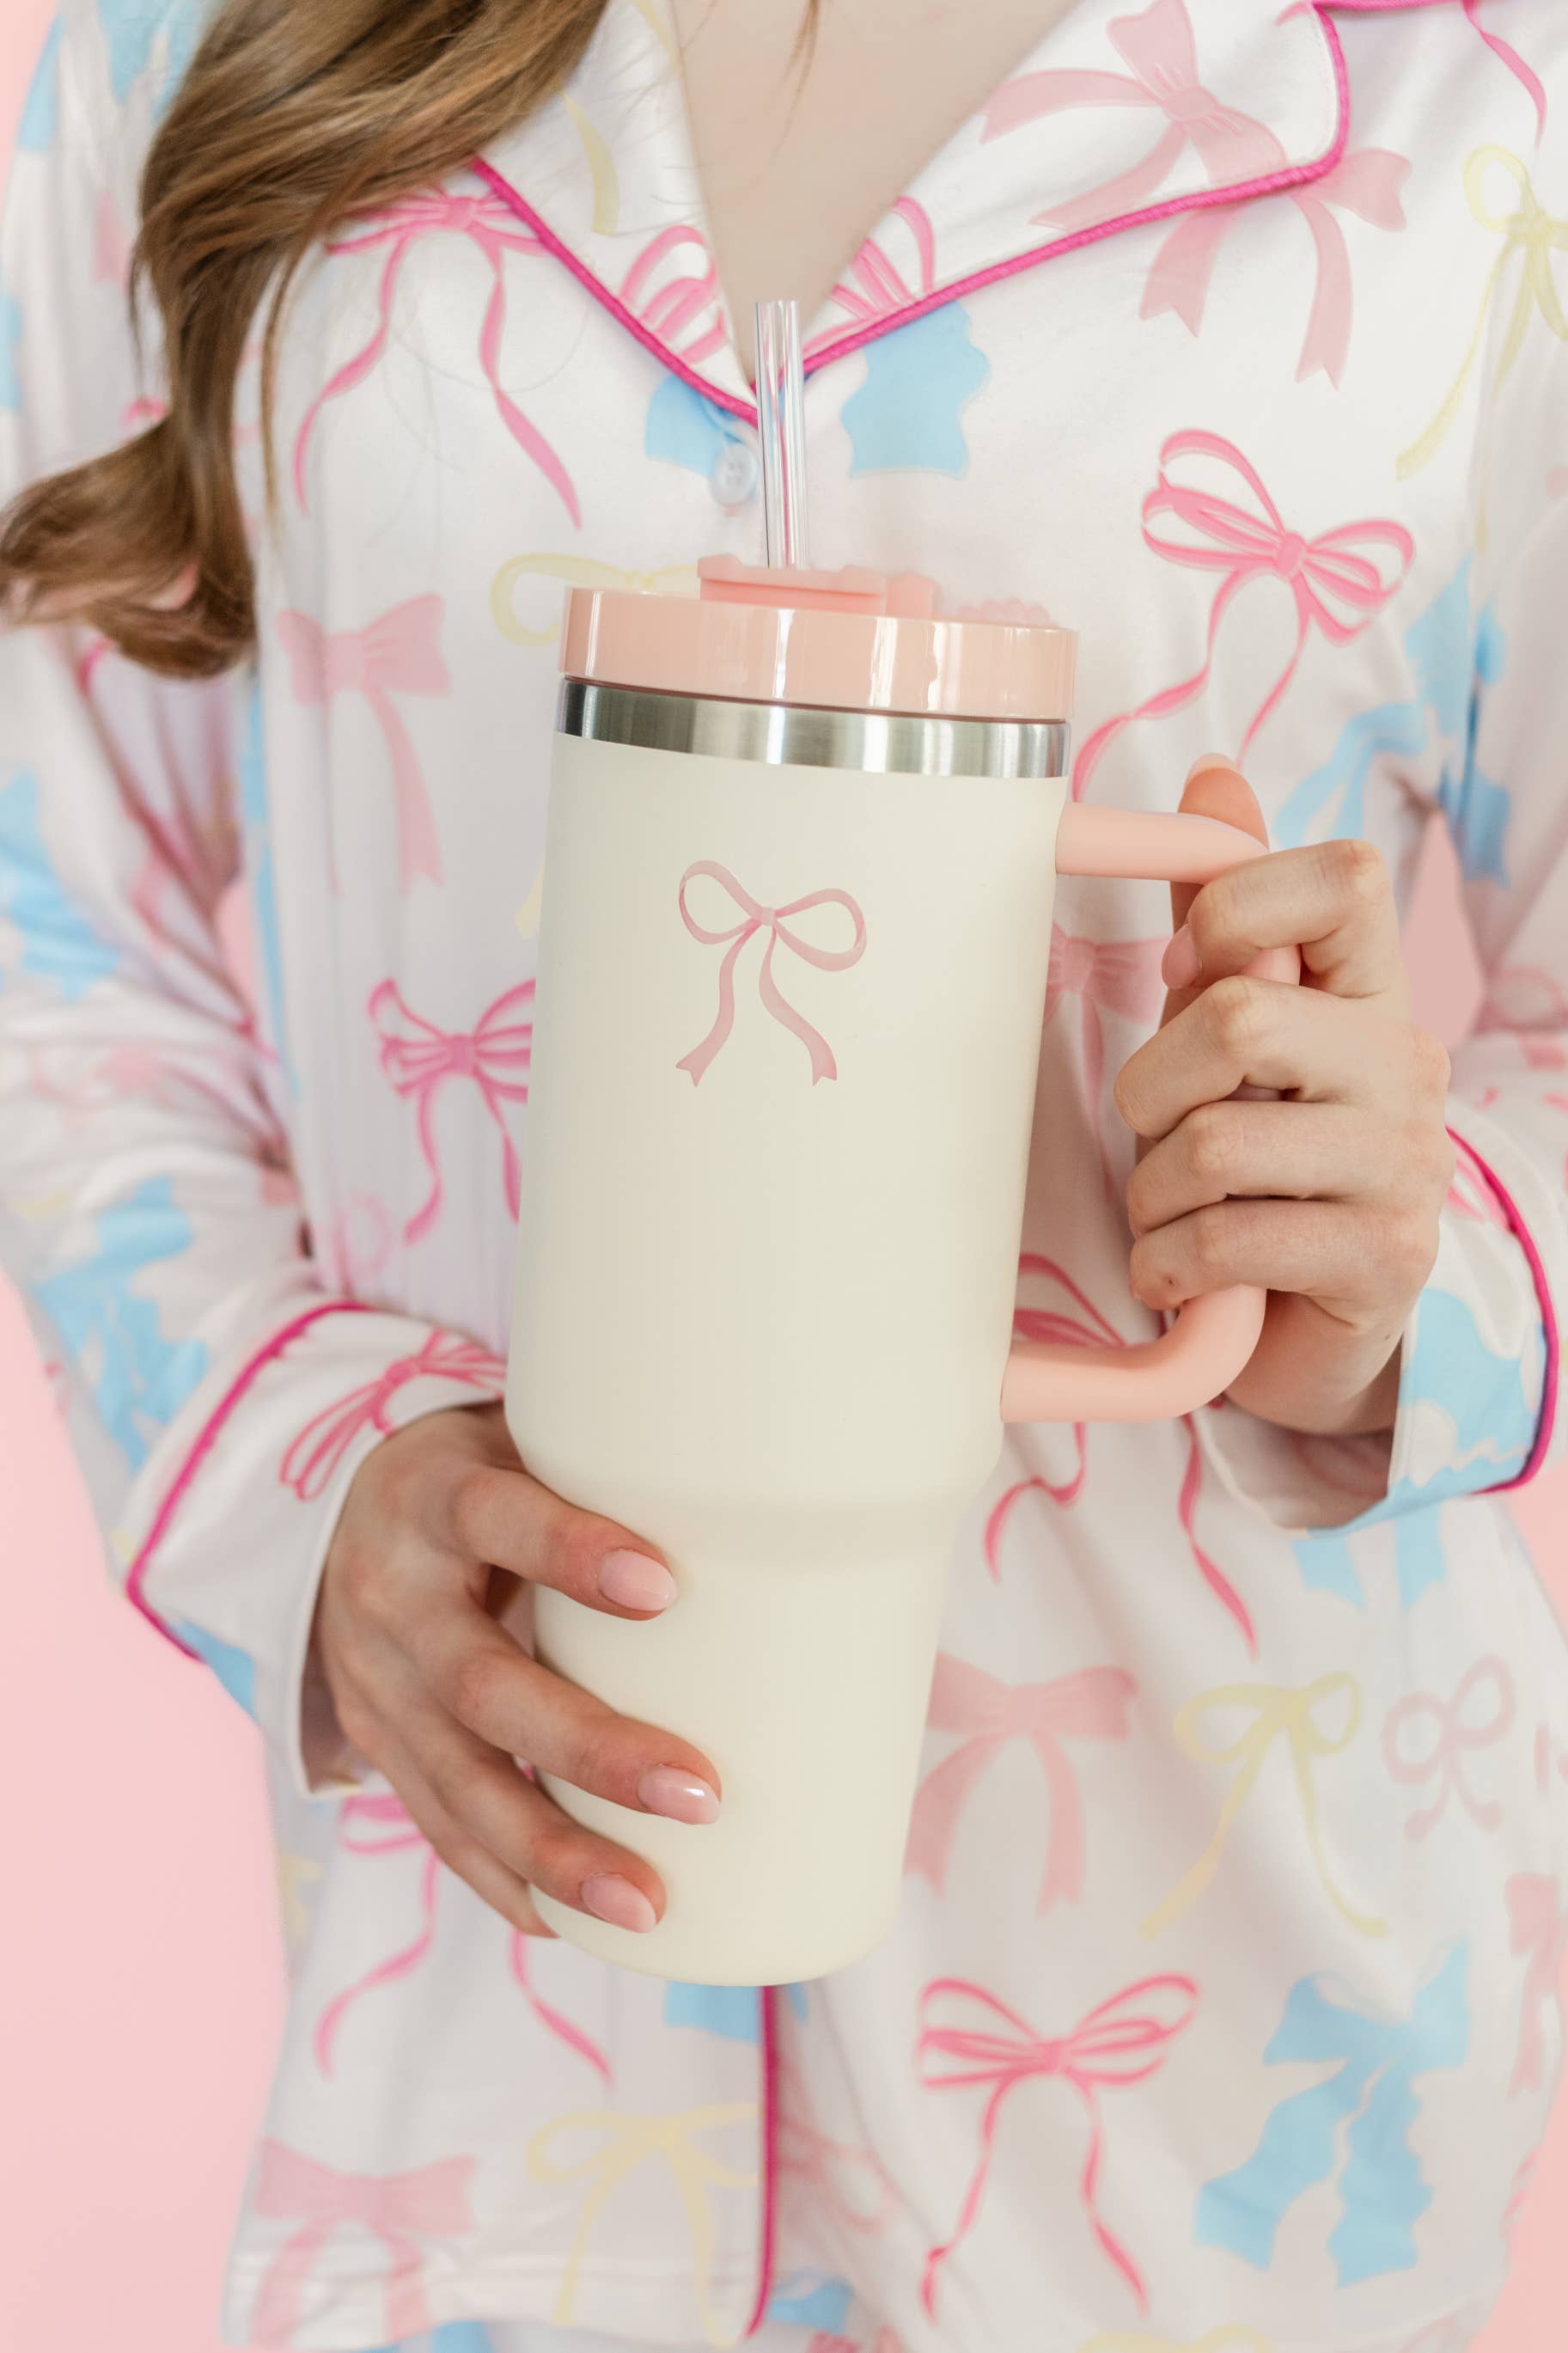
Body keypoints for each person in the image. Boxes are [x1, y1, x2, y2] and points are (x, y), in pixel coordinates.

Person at [3, 0, 1566, 2345]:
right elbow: (45, 919)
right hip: (480, 2076)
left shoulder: (1491, 85)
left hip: (1229, 2102)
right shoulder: (179, 43)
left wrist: (1405, 1273)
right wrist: (302, 1477)